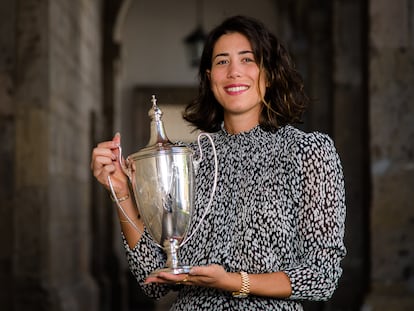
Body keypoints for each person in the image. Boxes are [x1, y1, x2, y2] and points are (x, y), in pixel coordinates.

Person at [91, 15, 346, 310]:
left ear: (269, 73)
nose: (234, 72)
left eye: (247, 59)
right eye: (222, 62)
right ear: (210, 77)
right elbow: (152, 277)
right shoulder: (187, 159)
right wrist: (121, 191)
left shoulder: (308, 151)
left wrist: (234, 282)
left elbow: (322, 276)